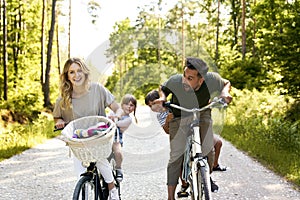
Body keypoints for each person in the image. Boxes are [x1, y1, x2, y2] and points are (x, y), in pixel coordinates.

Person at [151, 57, 232, 200]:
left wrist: (224, 93)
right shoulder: (175, 81)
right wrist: (163, 98)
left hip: (202, 113)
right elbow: (163, 89)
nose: (184, 81)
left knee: (209, 151)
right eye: (184, 75)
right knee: (176, 157)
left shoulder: (211, 79)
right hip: (179, 115)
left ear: (200, 80)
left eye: (190, 78)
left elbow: (226, 83)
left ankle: (204, 177)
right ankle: (170, 196)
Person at [53, 57, 122, 200]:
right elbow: (57, 117)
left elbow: (117, 108)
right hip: (79, 142)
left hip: (99, 137)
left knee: (100, 159)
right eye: (71, 72)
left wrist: (116, 115)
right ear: (67, 75)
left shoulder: (97, 89)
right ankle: (87, 185)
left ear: (85, 72)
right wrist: (59, 121)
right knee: (80, 172)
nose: (76, 75)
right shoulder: (63, 99)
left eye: (79, 71)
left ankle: (112, 188)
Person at [145, 89, 228, 197]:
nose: (153, 108)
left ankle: (213, 166)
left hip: (195, 129)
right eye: (150, 106)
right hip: (181, 136)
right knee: (180, 159)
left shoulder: (175, 104)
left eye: (154, 104)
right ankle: (184, 185)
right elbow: (167, 131)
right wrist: (168, 120)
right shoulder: (160, 115)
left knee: (217, 143)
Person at [109, 94, 137, 182]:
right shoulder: (113, 112)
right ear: (121, 105)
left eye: (132, 105)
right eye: (127, 104)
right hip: (107, 137)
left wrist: (115, 119)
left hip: (116, 139)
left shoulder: (128, 119)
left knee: (118, 152)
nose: (129, 107)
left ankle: (118, 168)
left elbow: (117, 124)